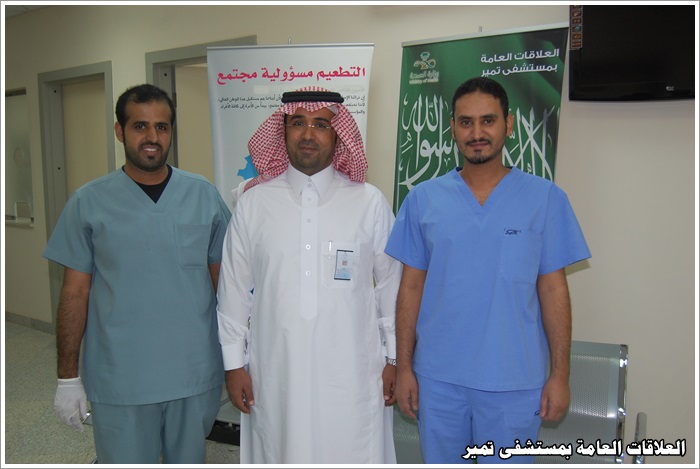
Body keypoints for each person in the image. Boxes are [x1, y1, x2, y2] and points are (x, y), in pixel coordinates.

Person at [385, 77, 591, 464]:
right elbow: (410, 289)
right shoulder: (423, 200)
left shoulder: (545, 199)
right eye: (466, 122)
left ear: (508, 125)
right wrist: (404, 368)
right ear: (452, 128)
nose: (476, 133)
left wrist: (560, 375)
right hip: (438, 381)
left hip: (515, 383)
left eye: (488, 120)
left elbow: (553, 291)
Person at [43, 84, 231, 464]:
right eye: (140, 126)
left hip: (192, 374)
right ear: (120, 131)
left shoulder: (203, 196)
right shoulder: (89, 202)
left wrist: (241, 358)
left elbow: (227, 286)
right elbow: (75, 294)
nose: (152, 137)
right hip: (121, 378)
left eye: (162, 127)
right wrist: (67, 377)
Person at [216, 86, 402, 464]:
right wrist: (234, 364)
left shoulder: (369, 203)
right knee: (281, 449)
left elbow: (391, 288)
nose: (308, 134)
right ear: (283, 131)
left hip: (354, 373)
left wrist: (395, 359)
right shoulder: (253, 204)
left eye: (321, 124)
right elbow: (233, 291)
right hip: (275, 372)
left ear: (338, 134)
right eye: (298, 123)